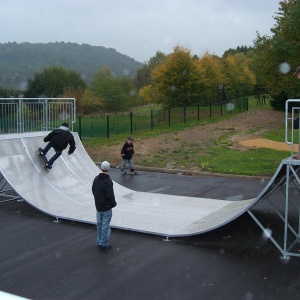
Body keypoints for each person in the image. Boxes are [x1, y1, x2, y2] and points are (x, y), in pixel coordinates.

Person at [92, 161, 117, 251]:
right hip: (106, 207)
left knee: (99, 224)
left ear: (101, 168)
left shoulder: (96, 179)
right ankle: (103, 243)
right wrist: (113, 203)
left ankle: (99, 240)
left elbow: (93, 190)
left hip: (98, 206)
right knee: (105, 225)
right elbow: (110, 194)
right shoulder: (108, 181)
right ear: (109, 169)